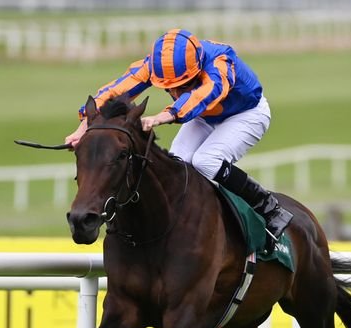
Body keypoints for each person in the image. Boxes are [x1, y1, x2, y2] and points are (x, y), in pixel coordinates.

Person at [65, 28, 293, 247]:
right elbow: (116, 90)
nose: (174, 93)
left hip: (246, 114)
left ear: (195, 70)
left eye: (182, 86)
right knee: (179, 163)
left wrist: (165, 115)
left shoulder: (221, 63)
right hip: (205, 116)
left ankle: (269, 208)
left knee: (207, 160)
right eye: (169, 89)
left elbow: (204, 96)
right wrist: (84, 124)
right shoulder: (155, 66)